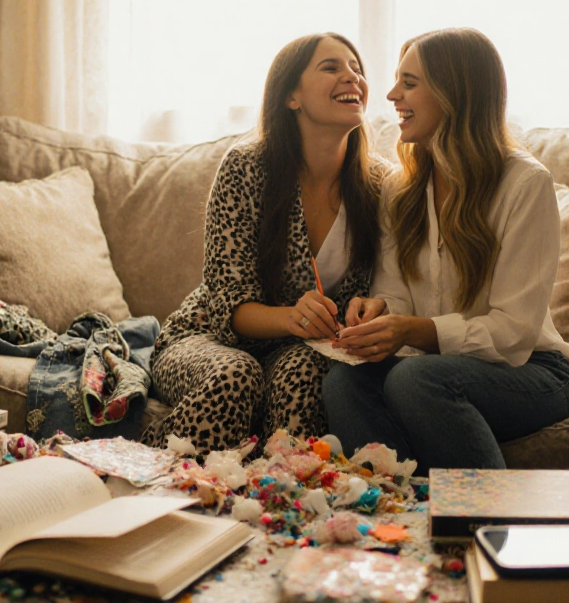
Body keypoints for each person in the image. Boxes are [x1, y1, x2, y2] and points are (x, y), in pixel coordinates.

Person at [321, 28, 569, 472]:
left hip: (533, 371)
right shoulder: (401, 189)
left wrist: (412, 331)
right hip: (434, 369)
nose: (390, 94)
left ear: (454, 93)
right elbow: (397, 291)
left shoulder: (524, 183)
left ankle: (486, 526)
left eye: (410, 82)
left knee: (415, 379)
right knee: (344, 381)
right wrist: (381, 312)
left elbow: (515, 331)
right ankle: (400, 521)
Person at [141, 33, 391, 453]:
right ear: (291, 95)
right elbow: (226, 302)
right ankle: (141, 475)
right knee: (236, 376)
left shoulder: (381, 185)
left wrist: (372, 309)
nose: (353, 77)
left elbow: (392, 286)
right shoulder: (245, 168)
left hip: (303, 349)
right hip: (209, 338)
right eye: (331, 67)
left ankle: (278, 497)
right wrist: (293, 317)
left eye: (357, 68)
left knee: (307, 373)